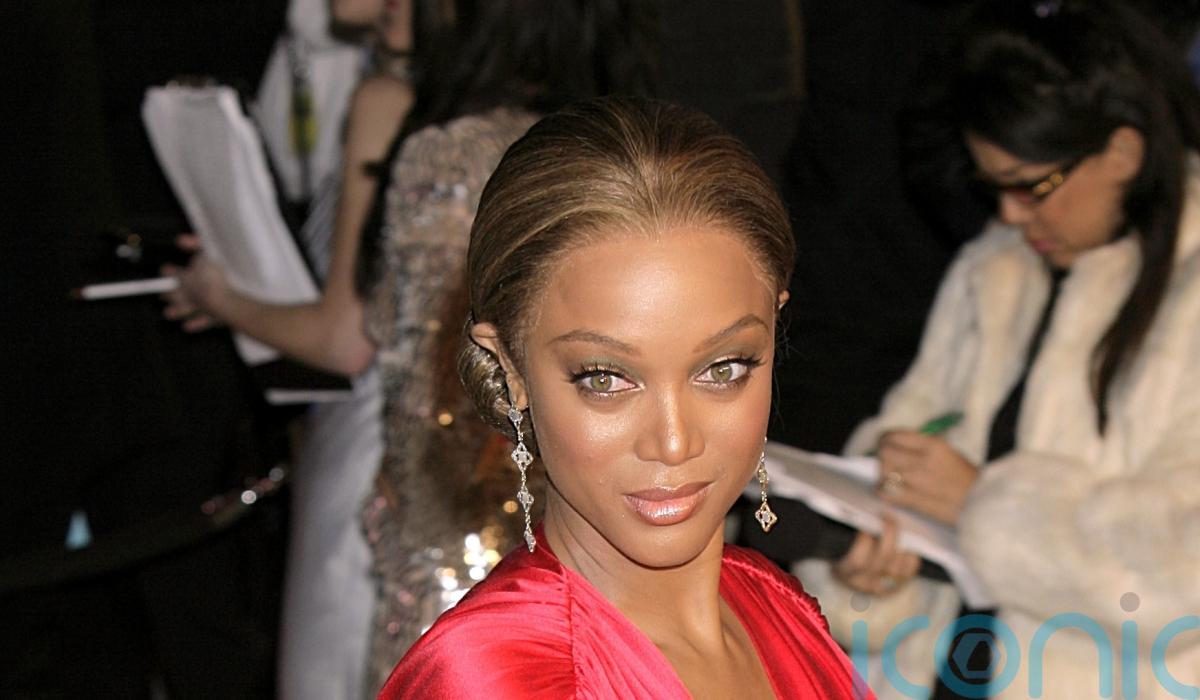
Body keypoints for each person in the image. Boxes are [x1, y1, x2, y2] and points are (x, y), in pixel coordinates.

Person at [165, 1, 656, 692]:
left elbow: (360, 344)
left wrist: (219, 296)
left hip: (430, 486)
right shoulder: (611, 141)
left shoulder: (417, 125)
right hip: (562, 503)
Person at [377, 97, 872, 699]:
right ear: (510, 367)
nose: (674, 442)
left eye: (723, 369)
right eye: (605, 379)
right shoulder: (497, 680)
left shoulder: (780, 606)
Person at [798, 1, 1200, 698]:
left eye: (1031, 186)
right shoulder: (994, 267)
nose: (1010, 213)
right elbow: (905, 443)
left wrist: (982, 504)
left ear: (1124, 153)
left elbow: (1181, 573)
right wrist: (866, 573)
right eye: (994, 187)